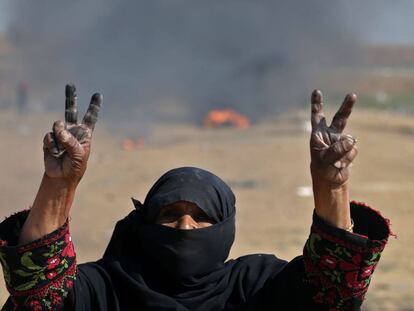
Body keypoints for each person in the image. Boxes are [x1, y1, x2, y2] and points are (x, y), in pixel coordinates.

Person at [0, 85, 391, 311]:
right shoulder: (104, 288)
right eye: (171, 215)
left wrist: (331, 187)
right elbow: (37, 293)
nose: (185, 227)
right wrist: (60, 184)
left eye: (201, 217)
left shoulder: (255, 286)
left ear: (224, 228)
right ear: (146, 224)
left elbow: (333, 288)